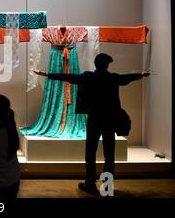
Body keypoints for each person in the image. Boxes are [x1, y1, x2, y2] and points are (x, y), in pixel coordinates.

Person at [35, 53, 150, 195]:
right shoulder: (112, 78)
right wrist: (141, 75)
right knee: (109, 153)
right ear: (107, 65)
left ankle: (90, 184)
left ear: (96, 64)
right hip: (109, 120)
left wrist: (47, 74)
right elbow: (127, 77)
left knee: (90, 152)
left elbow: (68, 77)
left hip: (95, 120)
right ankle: (107, 187)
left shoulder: (88, 77)